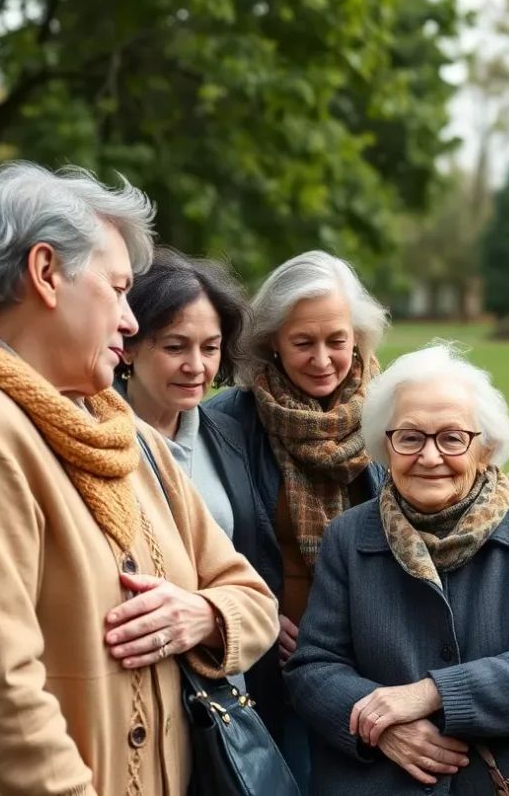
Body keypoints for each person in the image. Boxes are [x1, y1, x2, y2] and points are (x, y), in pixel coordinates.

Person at [0, 162, 280, 795]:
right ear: (44, 273)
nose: (129, 320)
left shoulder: (123, 431)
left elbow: (251, 596)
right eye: (117, 289)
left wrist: (203, 615)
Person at [283, 343, 509, 795]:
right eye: (410, 437)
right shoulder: (348, 536)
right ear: (385, 446)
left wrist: (432, 693)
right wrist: (383, 729)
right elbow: (313, 668)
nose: (430, 457)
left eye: (452, 438)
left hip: (507, 783)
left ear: (485, 447)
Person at [206, 249, 388, 784]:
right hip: (265, 664)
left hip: (368, 663)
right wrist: (256, 610)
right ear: (271, 343)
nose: (322, 359)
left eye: (336, 340)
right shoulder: (226, 423)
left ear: (358, 336)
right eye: (302, 343)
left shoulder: (394, 415)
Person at [116, 248, 280, 619]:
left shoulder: (229, 434)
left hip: (228, 662)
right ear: (128, 348)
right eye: (175, 347)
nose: (196, 366)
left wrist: (269, 616)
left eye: (210, 348)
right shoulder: (93, 434)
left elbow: (250, 562)